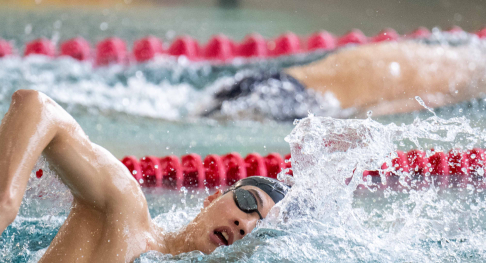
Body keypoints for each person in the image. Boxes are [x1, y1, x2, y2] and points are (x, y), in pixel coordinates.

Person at [0, 90, 290, 263]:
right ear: (213, 198)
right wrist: (3, 204)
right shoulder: (126, 213)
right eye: (247, 204)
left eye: (260, 226)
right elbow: (36, 105)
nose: (245, 225)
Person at [204, 40, 486, 121]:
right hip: (301, 101)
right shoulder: (454, 88)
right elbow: (385, 111)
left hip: (274, 80)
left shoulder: (445, 51)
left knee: (205, 114)